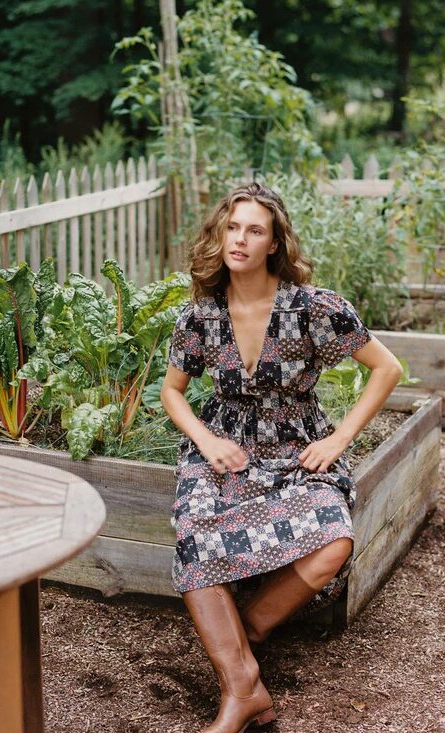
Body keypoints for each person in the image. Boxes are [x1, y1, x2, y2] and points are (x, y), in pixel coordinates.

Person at [160, 181, 403, 733]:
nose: (239, 239)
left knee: (333, 540)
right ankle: (243, 691)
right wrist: (206, 439)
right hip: (225, 449)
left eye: (255, 230)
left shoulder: (314, 308)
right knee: (194, 529)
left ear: (274, 243)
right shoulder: (200, 316)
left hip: (297, 447)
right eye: (233, 227)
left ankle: (244, 638)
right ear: (220, 234)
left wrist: (338, 439)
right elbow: (171, 393)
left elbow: (387, 368)